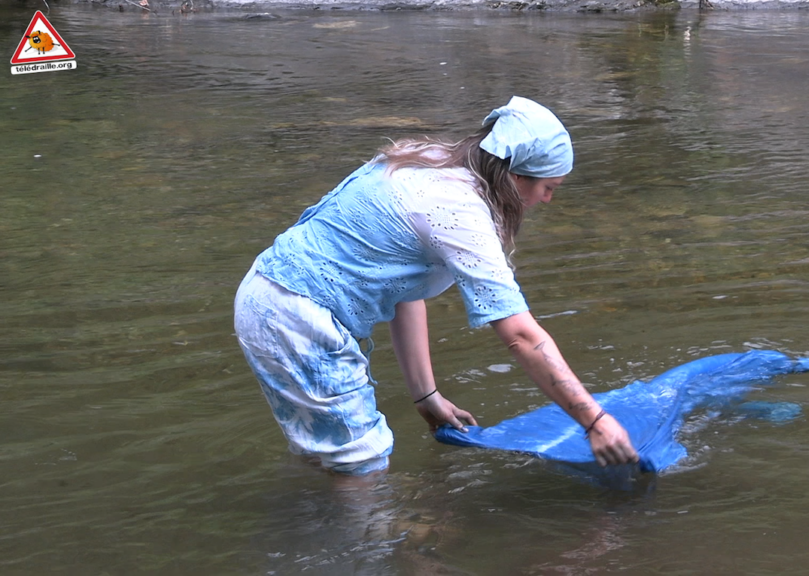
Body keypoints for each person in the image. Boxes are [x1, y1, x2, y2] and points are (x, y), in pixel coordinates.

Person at [234, 96, 639, 476]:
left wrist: (425, 396)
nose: (548, 200)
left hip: (269, 297)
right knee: (363, 463)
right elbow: (521, 335)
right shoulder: (459, 211)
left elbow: (405, 291)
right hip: (296, 318)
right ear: (516, 175)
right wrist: (595, 420)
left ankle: (322, 522)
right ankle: (367, 545)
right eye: (548, 188)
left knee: (331, 451)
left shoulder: (428, 160)